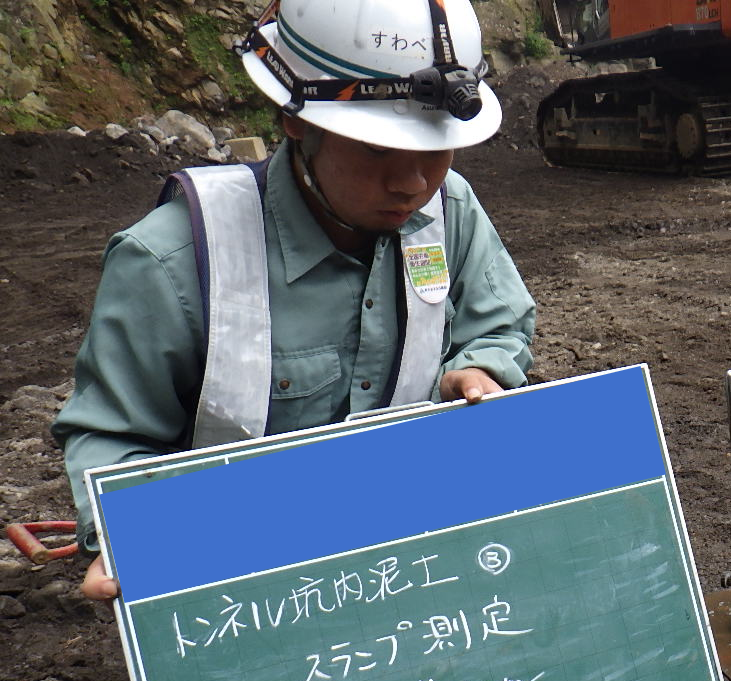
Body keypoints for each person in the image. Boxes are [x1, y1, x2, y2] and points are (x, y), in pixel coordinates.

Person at [52, 0, 535, 602]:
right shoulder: (173, 261)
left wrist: (480, 365)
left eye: (437, 149)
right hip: (245, 596)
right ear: (296, 119)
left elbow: (501, 323)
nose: (413, 184)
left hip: (409, 576)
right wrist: (127, 533)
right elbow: (112, 436)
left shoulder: (449, 213)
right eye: (379, 150)